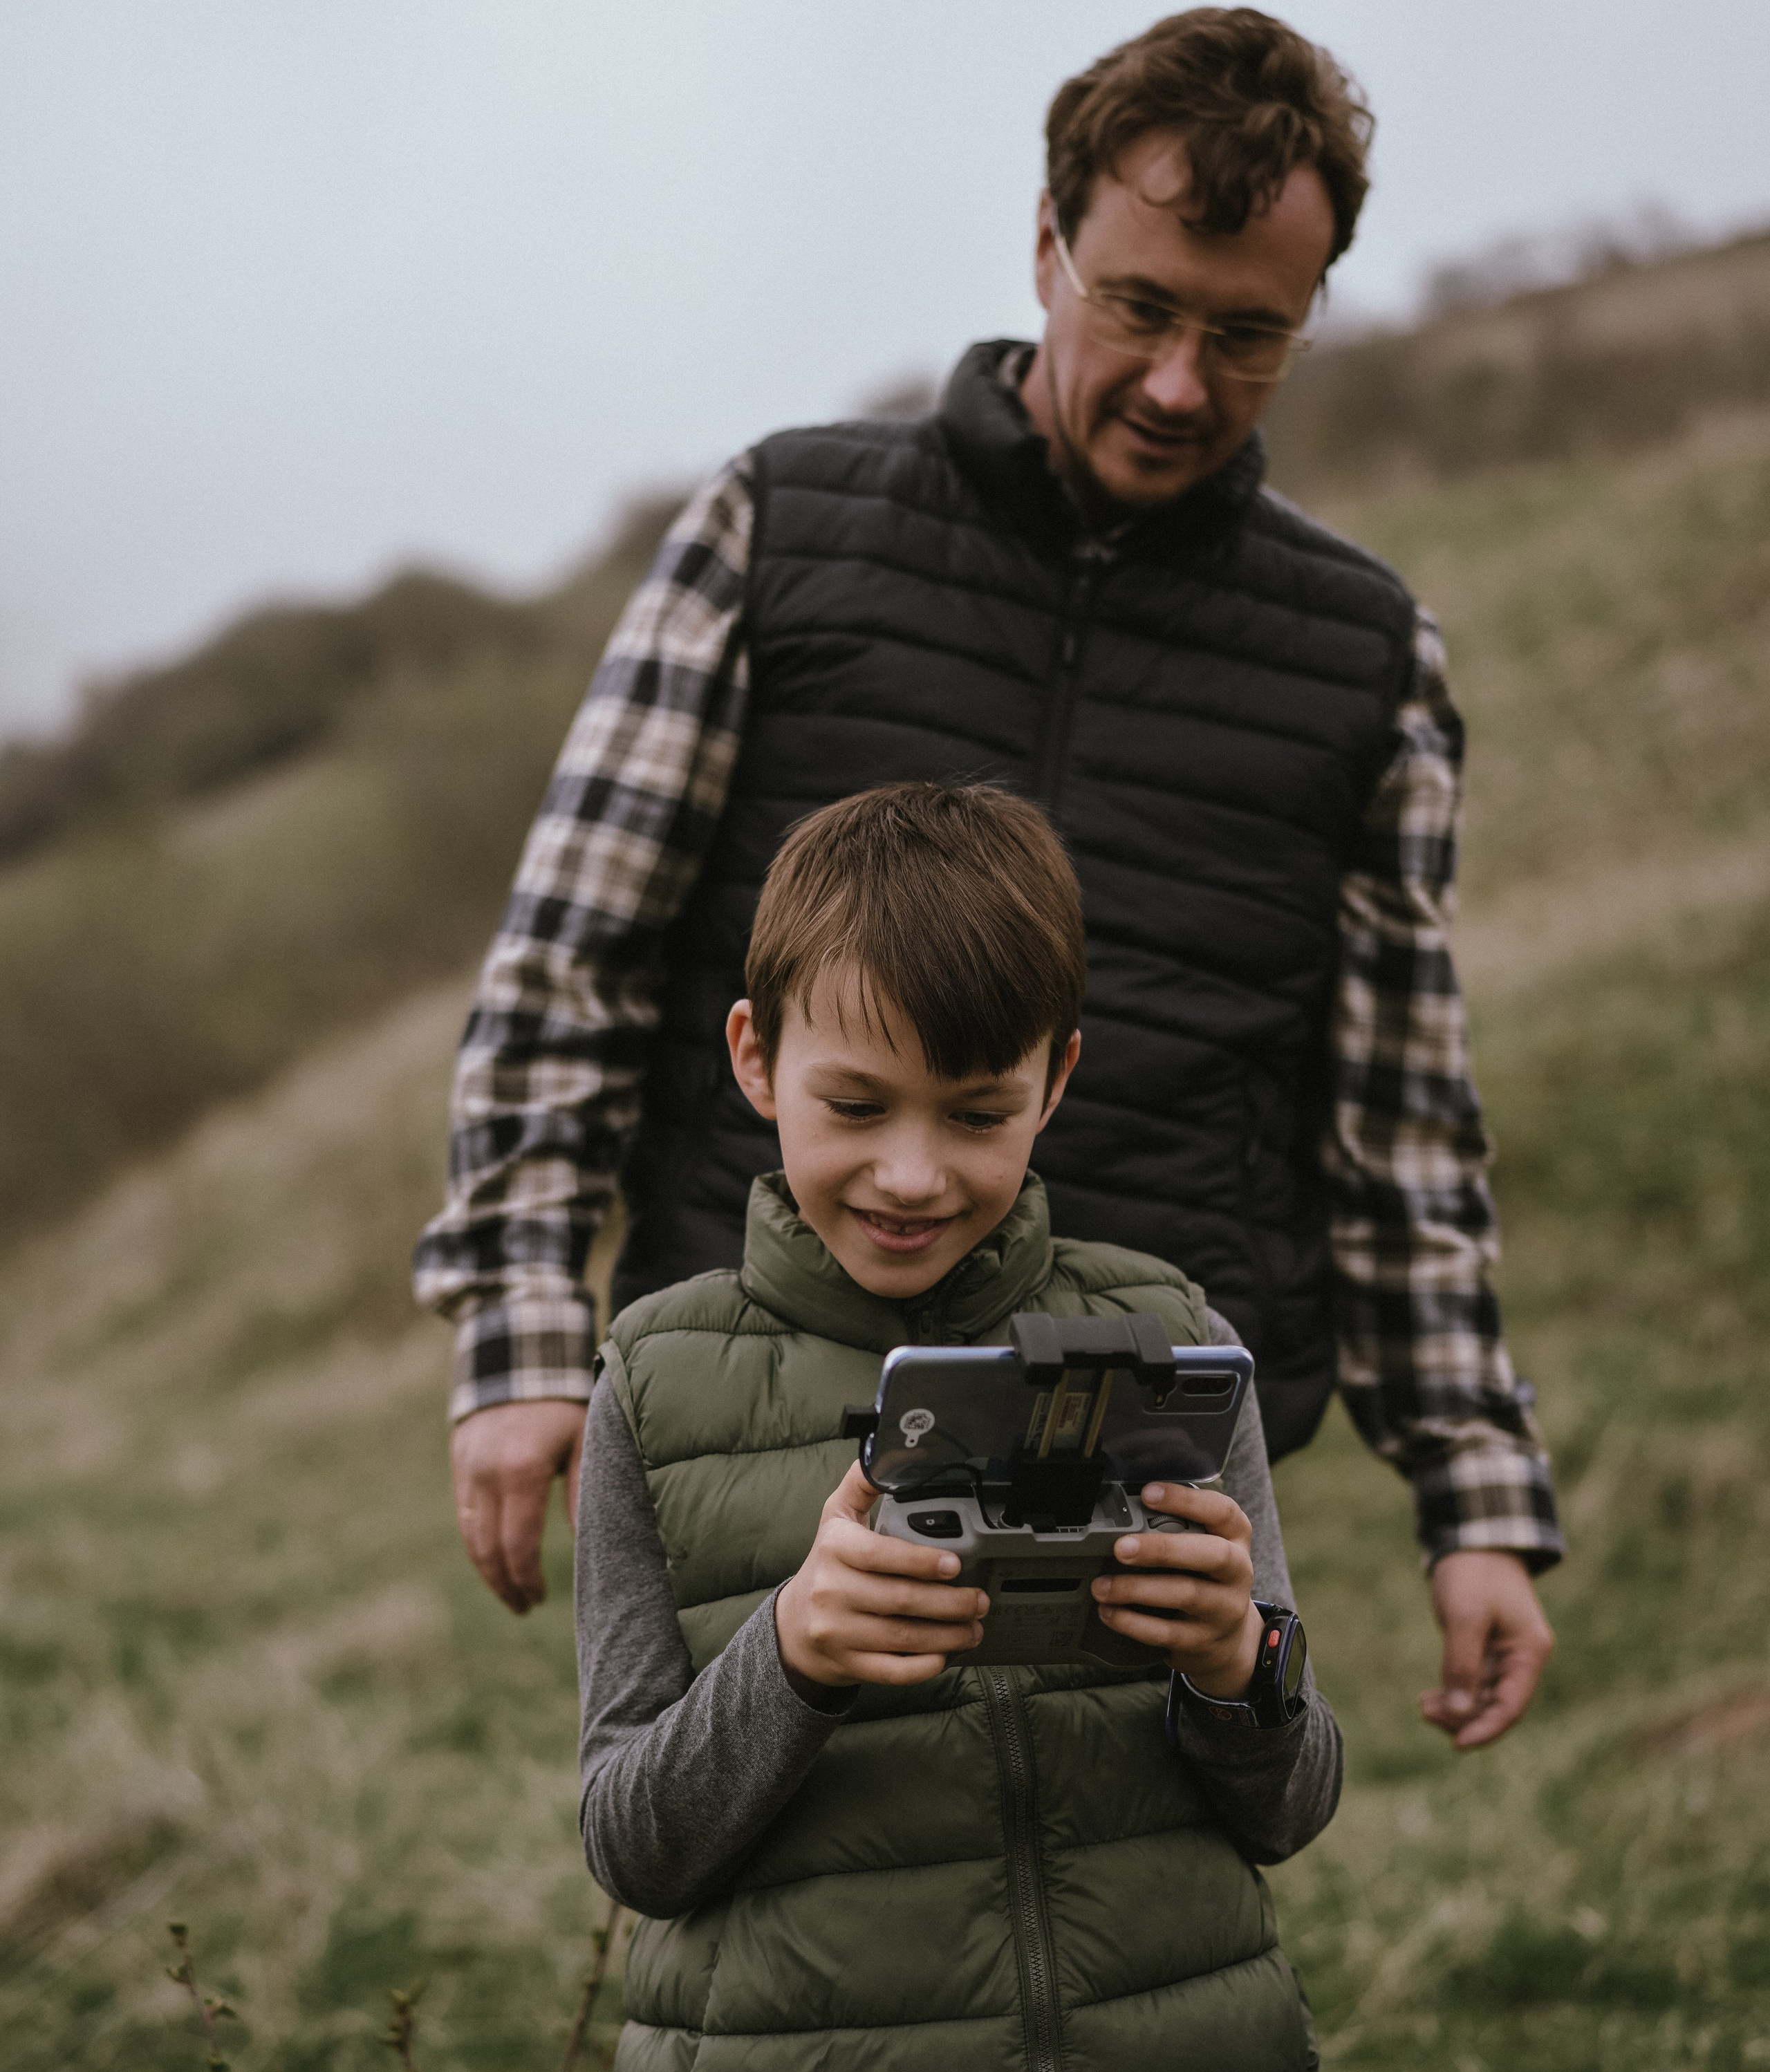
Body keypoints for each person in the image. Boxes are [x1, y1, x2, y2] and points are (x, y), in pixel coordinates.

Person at [416, 6, 1563, 1749]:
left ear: (1311, 311)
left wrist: (1473, 1490)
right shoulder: (778, 529)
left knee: (1138, 1961)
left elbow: (1395, 1117)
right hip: (757, 1416)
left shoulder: (1364, 657)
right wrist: (518, 1342)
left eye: (1247, 336)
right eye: (1139, 308)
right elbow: (569, 963)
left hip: (1154, 1464)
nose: (1182, 383)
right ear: (1045, 246)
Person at [578, 780, 1341, 2072]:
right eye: (854, 1106)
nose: (912, 1173)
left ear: (1055, 1081)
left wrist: (1232, 1668)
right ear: (751, 1059)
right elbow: (633, 1839)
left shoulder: (1174, 1345)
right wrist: (787, 1655)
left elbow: (1290, 1801)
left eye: (975, 1110)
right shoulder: (654, 1387)